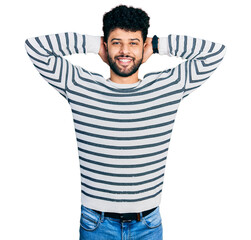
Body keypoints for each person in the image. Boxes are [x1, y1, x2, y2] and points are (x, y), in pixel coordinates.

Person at [24, 4, 226, 240]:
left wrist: (160, 45)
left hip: (148, 225)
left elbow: (214, 52)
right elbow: (36, 48)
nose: (124, 51)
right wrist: (92, 44)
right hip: (95, 224)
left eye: (133, 43)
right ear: (106, 45)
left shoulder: (166, 87)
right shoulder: (80, 86)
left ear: (144, 46)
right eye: (116, 42)